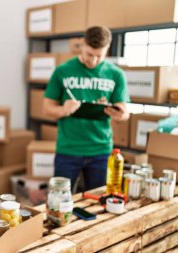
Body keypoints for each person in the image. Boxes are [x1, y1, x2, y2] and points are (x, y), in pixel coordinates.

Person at [43, 26, 130, 191]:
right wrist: (63, 110)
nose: (94, 61)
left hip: (101, 151)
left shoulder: (117, 74)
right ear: (82, 44)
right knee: (59, 204)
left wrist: (121, 114)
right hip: (68, 149)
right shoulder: (62, 71)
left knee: (99, 203)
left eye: (99, 56)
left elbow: (124, 111)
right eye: (89, 54)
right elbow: (47, 109)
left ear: (107, 50)